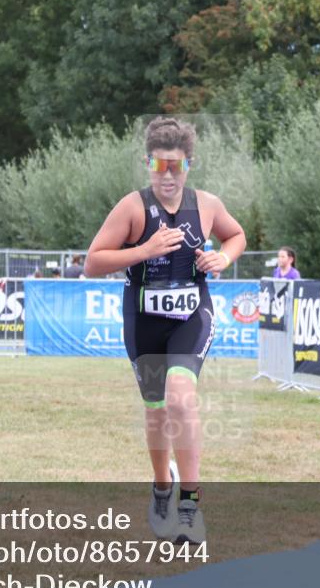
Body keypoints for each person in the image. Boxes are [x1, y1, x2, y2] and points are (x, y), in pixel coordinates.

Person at [85, 116, 247, 545]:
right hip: (144, 321)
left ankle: (190, 506)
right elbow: (93, 262)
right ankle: (162, 488)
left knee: (180, 397)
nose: (168, 175)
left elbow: (236, 235)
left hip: (192, 315)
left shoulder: (206, 205)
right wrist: (144, 249)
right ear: (148, 164)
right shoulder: (132, 208)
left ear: (188, 165)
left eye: (176, 166)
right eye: (159, 166)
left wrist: (223, 258)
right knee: (156, 411)